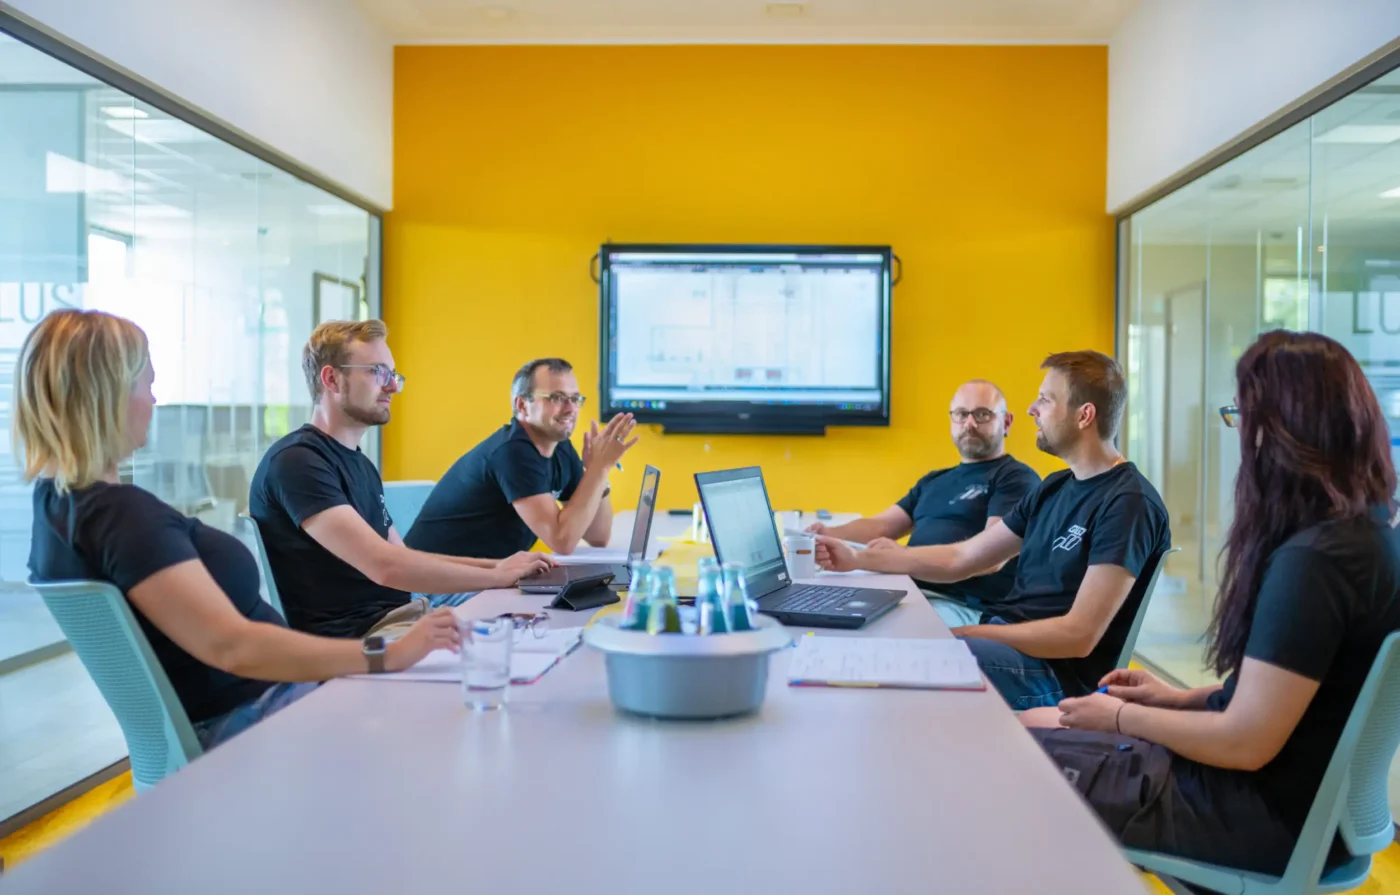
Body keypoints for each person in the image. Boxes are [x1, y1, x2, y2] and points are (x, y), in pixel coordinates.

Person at [1022, 331, 1400, 876]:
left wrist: (1126, 717)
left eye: (1241, 415)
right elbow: (1283, 699)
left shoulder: (1315, 561)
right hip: (1313, 818)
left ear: (1281, 427)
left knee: (1004, 754)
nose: (1239, 434)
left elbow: (1246, 742)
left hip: (1255, 817)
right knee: (1031, 721)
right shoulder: (1366, 535)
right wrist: (1170, 699)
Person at [19, 310, 460, 749]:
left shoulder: (57, 506)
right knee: (457, 718)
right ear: (106, 393)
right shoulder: (119, 516)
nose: (153, 401)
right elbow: (234, 647)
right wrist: (390, 655)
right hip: (262, 716)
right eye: (147, 385)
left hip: (263, 707)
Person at [817, 351, 1171, 709]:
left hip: (1051, 675)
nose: (1033, 409)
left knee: (904, 662)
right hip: (1007, 647)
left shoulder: (1129, 502)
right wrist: (857, 558)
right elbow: (963, 557)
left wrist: (968, 633)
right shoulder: (1055, 487)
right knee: (880, 645)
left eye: (1045, 400)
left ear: (1084, 415)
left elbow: (1078, 636)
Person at [250, 320, 551, 639]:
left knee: (539, 615)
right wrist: (496, 576)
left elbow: (402, 556)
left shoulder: (361, 464)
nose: (392, 386)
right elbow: (386, 567)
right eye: (378, 372)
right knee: (516, 642)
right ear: (332, 379)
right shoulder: (298, 462)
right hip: (364, 637)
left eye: (393, 375)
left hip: (405, 615)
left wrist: (500, 568)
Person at [806, 379, 1040, 619]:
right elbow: (880, 526)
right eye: (961, 414)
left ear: (1007, 422)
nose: (969, 423)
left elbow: (989, 559)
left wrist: (887, 556)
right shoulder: (933, 481)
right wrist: (827, 533)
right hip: (908, 590)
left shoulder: (1016, 479)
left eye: (982, 414)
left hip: (964, 605)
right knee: (825, 612)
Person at [404, 358, 638, 558]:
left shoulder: (561, 448)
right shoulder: (512, 452)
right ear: (522, 405)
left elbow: (598, 535)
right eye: (556, 398)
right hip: (433, 586)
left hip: (486, 578)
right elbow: (562, 542)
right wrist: (598, 468)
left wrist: (599, 472)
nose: (570, 409)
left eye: (575, 399)